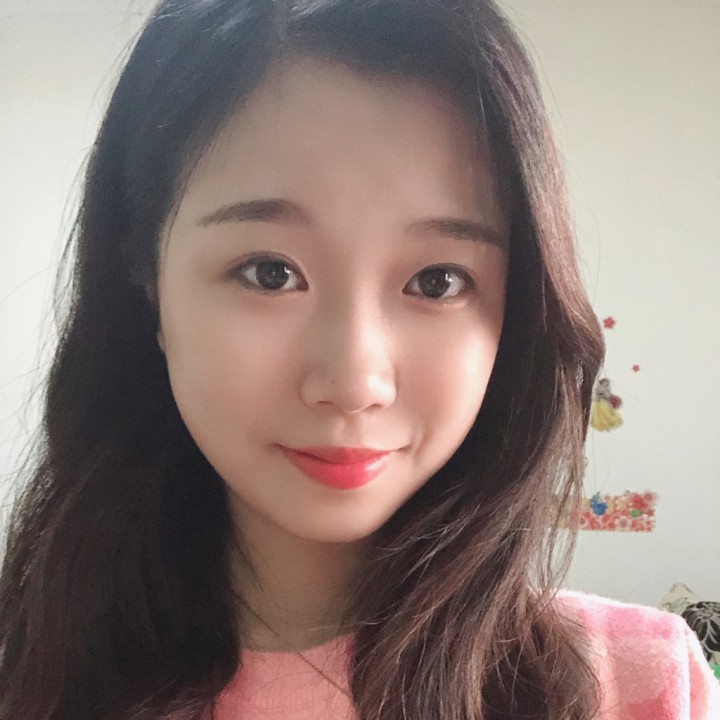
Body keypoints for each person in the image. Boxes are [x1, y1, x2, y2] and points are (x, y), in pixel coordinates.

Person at [0, 1, 717, 718]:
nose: (354, 382)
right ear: (149, 286)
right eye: (269, 273)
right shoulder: (27, 674)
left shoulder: (638, 686)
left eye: (437, 281)